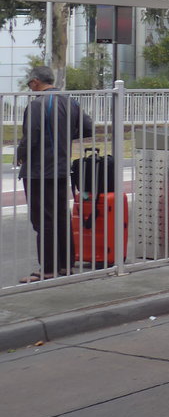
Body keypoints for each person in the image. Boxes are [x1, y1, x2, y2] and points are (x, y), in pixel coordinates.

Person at [15, 66, 94, 282]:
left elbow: (30, 137)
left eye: (30, 84)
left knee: (43, 220)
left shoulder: (37, 104)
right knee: (61, 217)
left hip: (39, 171)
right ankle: (66, 265)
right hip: (60, 169)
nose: (30, 88)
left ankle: (48, 269)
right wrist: (66, 136)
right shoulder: (70, 101)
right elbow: (88, 128)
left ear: (35, 82)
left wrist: (20, 155)